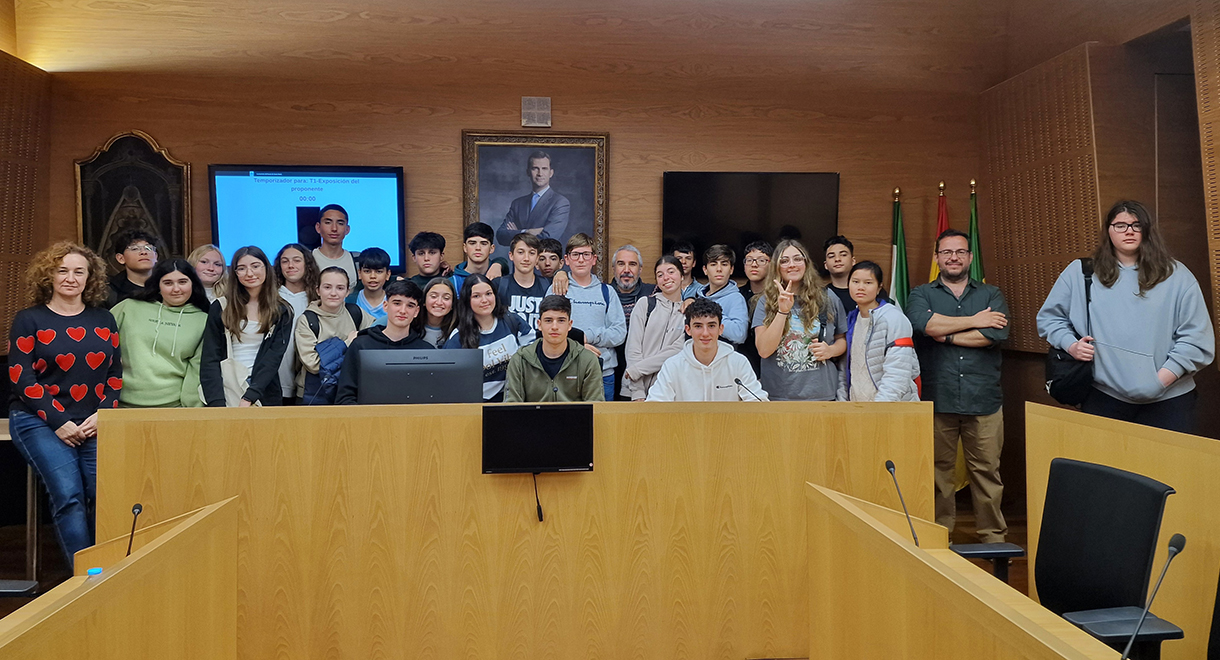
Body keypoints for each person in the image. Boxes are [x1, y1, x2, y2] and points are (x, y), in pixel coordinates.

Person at [1037, 200, 1215, 432]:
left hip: (1170, 401)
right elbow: (1050, 319)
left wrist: (1159, 382)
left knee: (1165, 469)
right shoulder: (1082, 273)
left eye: (1136, 225)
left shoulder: (1177, 275)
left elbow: (1196, 339)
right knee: (1106, 468)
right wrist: (1071, 345)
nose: (1129, 230)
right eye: (1120, 225)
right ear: (1108, 230)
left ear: (1147, 230)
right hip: (1104, 399)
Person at [8, 241, 121, 569]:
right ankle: (86, 577)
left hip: (92, 421)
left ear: (90, 278)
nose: (70, 278)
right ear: (49, 276)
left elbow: (114, 375)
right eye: (62, 271)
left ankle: (112, 571)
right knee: (69, 495)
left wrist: (103, 414)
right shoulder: (29, 319)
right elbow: (22, 379)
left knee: (105, 495)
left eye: (79, 271)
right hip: (37, 420)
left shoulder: (104, 319)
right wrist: (59, 421)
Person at [906, 229, 1010, 543]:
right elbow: (923, 325)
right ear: (937, 258)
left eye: (960, 252)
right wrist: (977, 319)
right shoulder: (921, 293)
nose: (953, 257)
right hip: (939, 396)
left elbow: (993, 335)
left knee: (987, 472)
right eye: (947, 252)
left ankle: (993, 536)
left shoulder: (991, 294)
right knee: (938, 473)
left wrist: (947, 333)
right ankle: (940, 534)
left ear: (970, 257)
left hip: (984, 397)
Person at [752, 239, 847, 401]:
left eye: (797, 259)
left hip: (821, 394)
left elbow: (842, 340)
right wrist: (782, 311)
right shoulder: (765, 301)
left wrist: (830, 351)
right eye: (784, 261)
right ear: (777, 267)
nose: (792, 265)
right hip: (778, 396)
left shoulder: (827, 298)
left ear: (806, 263)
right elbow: (764, 350)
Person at [200, 246, 293, 407]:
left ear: (266, 268)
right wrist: (217, 403)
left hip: (263, 389)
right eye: (241, 268)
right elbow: (210, 358)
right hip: (227, 385)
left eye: (255, 266)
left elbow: (273, 358)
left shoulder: (281, 310)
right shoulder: (221, 306)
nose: (249, 273)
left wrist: (250, 396)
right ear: (235, 273)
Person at [110, 259, 210, 408]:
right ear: (158, 285)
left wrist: (191, 412)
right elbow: (100, 345)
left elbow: (197, 371)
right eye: (168, 283)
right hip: (121, 403)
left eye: (182, 282)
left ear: (193, 284)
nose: (176, 289)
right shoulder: (128, 307)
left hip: (173, 408)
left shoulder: (203, 320)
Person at [546, 233, 627, 402]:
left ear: (594, 259)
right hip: (564, 372)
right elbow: (547, 330)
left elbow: (619, 332)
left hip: (602, 375)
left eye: (586, 254)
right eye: (575, 255)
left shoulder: (607, 292)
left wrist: (587, 336)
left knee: (602, 425)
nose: (581, 260)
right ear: (567, 260)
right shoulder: (557, 289)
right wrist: (578, 344)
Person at [647, 299, 768, 402]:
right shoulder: (672, 366)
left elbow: (758, 402)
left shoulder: (738, 362)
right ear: (688, 330)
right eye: (698, 326)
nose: (705, 333)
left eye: (711, 326)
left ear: (721, 329)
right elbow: (654, 407)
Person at [335, 279, 435, 405]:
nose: (403, 311)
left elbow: (431, 399)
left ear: (416, 312)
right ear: (386, 306)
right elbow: (345, 396)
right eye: (397, 303)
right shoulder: (361, 345)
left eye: (410, 305)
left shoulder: (427, 351)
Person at [835, 262, 920, 402]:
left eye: (868, 282)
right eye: (855, 282)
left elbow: (898, 372)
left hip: (890, 407)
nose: (860, 287)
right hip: (857, 407)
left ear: (879, 286)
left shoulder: (894, 318)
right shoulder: (850, 318)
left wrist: (879, 409)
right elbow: (845, 368)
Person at [443, 274, 532, 402]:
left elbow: (533, 355)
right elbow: (449, 381)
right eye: (476, 296)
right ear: (467, 300)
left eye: (488, 294)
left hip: (513, 400)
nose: (484, 300)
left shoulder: (512, 320)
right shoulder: (458, 338)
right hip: (476, 406)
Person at [295, 267, 375, 405]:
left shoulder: (355, 313)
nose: (333, 293)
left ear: (347, 292)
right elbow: (314, 364)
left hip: (349, 391)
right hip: (314, 393)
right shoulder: (308, 320)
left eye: (340, 288)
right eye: (327, 287)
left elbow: (373, 340)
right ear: (318, 290)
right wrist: (348, 343)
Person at [504, 295, 605, 402]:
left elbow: (595, 406)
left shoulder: (588, 360)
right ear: (539, 324)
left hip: (575, 418)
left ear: (569, 325)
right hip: (531, 418)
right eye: (548, 320)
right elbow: (511, 406)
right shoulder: (520, 360)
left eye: (561, 320)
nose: (554, 327)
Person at [622, 256, 687, 400]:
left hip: (667, 392)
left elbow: (676, 351)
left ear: (682, 276)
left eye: (671, 272)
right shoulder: (645, 304)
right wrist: (637, 392)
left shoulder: (688, 313)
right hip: (632, 390)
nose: (666, 278)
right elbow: (633, 349)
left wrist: (638, 370)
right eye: (660, 275)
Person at [495, 150, 571, 245]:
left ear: (551, 173)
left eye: (544, 168)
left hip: (545, 259)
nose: (540, 173)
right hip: (519, 259)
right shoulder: (517, 204)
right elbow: (501, 235)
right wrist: (527, 231)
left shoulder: (560, 202)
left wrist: (517, 233)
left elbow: (548, 238)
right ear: (528, 172)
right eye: (535, 168)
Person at [610, 244, 657, 399]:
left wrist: (689, 299)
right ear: (613, 268)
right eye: (621, 264)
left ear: (640, 269)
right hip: (611, 365)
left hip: (644, 367)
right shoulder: (603, 293)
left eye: (632, 264)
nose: (626, 270)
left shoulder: (654, 293)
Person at [275, 243, 320, 403]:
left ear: (307, 264)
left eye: (296, 260)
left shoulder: (318, 297)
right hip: (278, 375)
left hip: (308, 376)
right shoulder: (271, 296)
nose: (291, 265)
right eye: (285, 261)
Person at [691, 244, 748, 345]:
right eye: (713, 264)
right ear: (705, 270)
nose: (719, 269)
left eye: (724, 264)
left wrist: (711, 314)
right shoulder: (698, 295)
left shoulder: (736, 298)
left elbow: (739, 334)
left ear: (731, 269)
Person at [494, 233, 550, 335]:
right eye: (520, 252)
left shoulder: (547, 286)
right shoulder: (499, 285)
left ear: (537, 258)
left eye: (532, 253)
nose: (526, 258)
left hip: (539, 346)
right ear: (511, 255)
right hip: (508, 347)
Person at [823, 235, 890, 312]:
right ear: (826, 265)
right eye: (831, 256)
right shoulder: (822, 294)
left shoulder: (871, 289)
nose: (837, 259)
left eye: (843, 255)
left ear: (853, 261)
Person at [738, 240, 772, 376]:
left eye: (761, 260)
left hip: (772, 366)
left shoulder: (778, 297)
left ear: (771, 264)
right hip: (744, 367)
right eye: (749, 260)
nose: (754, 264)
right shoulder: (736, 295)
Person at [106, 228, 159, 307]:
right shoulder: (110, 293)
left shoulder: (166, 286)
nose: (143, 252)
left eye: (148, 248)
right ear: (121, 258)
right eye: (135, 249)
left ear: (156, 256)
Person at [451, 222, 508, 293]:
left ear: (491, 248)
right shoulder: (453, 283)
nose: (478, 248)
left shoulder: (501, 279)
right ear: (465, 247)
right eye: (472, 243)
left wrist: (499, 264)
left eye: (483, 244)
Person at [311, 204, 359, 284]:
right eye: (328, 222)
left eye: (340, 223)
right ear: (318, 227)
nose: (334, 228)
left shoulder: (358, 260)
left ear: (347, 229)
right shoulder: (306, 259)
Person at [347, 247, 391, 326]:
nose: (373, 276)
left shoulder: (395, 302)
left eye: (379, 272)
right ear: (359, 273)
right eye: (367, 271)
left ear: (388, 274)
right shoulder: (349, 301)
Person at [421, 277, 458, 348]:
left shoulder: (458, 331)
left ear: (452, 304)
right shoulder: (410, 329)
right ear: (424, 301)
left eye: (446, 298)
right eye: (433, 296)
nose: (439, 302)